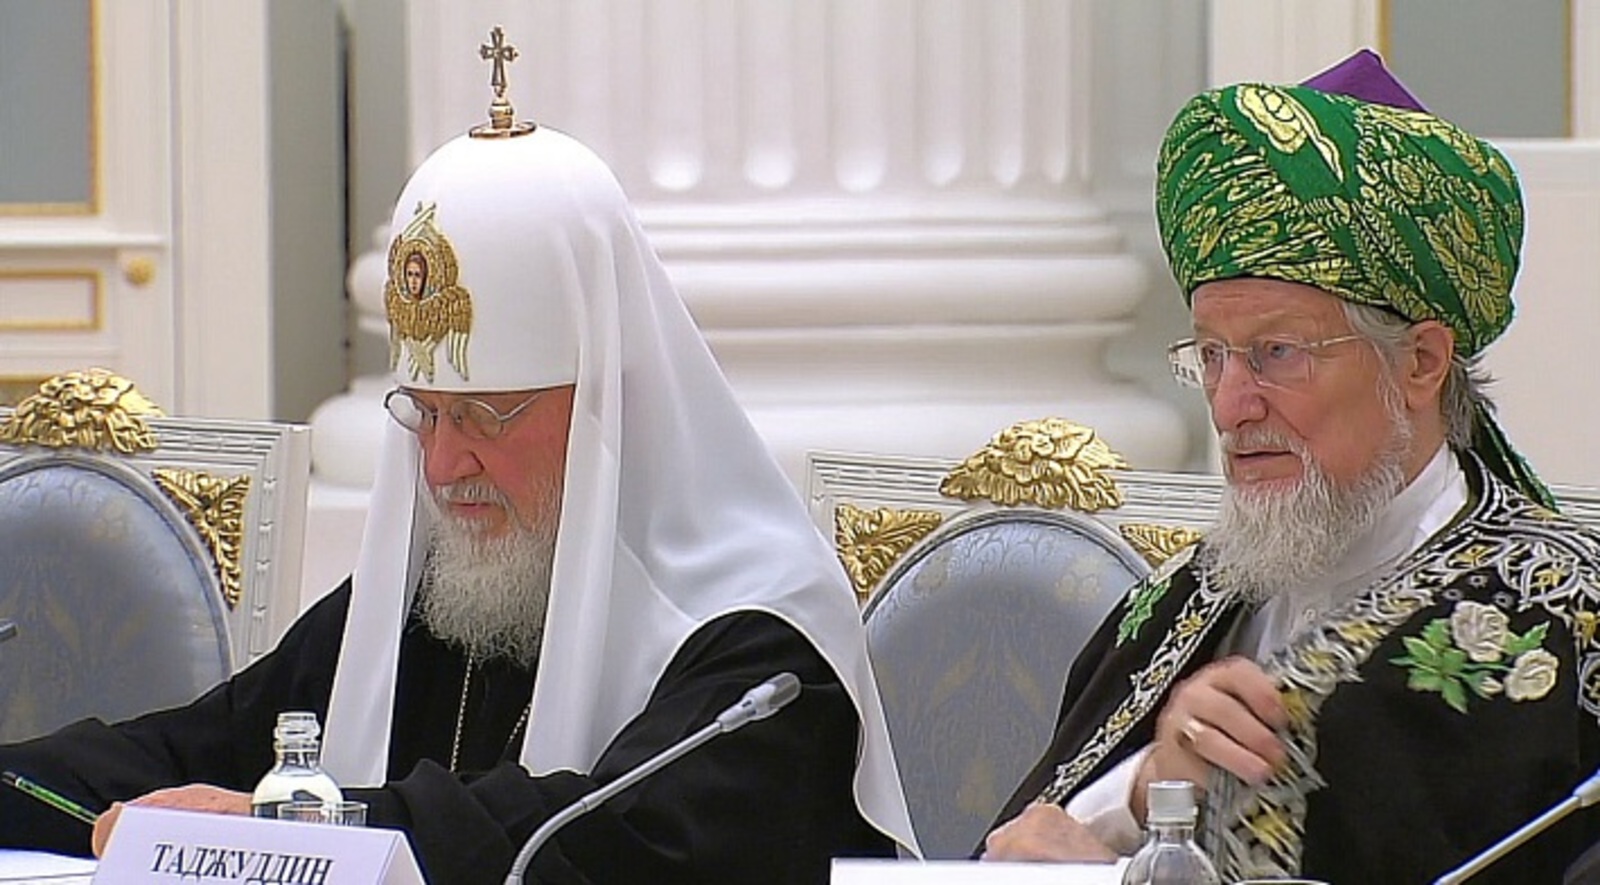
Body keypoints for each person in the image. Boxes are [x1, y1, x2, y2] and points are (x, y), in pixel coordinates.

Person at [0, 33, 916, 884]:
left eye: (484, 415)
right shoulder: (445, 590)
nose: (442, 466)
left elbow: (609, 838)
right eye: (426, 414)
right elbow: (192, 751)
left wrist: (305, 827)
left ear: (610, 402)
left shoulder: (764, 641)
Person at [981, 49, 1600, 883]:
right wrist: (1141, 793)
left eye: (1277, 352)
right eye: (1210, 356)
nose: (1232, 404)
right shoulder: (1185, 599)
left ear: (1420, 361)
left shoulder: (1562, 618)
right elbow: (1017, 849)